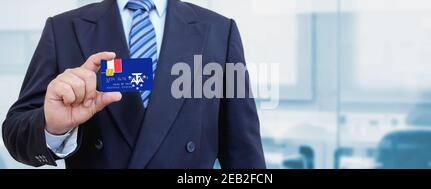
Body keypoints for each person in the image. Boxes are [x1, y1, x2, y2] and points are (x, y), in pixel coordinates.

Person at [2, 0, 265, 169]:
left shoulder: (220, 31)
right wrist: (53, 127)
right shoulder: (63, 29)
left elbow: (244, 154)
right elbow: (16, 134)